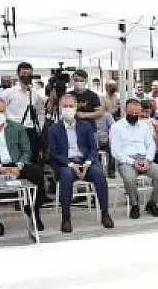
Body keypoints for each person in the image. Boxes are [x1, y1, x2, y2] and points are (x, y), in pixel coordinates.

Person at [0, 97, 48, 232]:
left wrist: (19, 166)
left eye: (1, 111)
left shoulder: (17, 127)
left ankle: (33, 211)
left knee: (36, 172)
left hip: (16, 164)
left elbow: (26, 150)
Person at [48, 94, 114, 232]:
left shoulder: (85, 126)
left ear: (76, 107)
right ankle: (66, 217)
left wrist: (88, 163)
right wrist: (71, 165)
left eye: (70, 106)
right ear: (60, 108)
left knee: (99, 173)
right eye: (65, 106)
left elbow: (93, 149)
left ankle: (105, 213)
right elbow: (54, 154)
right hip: (66, 164)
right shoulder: (54, 129)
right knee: (66, 175)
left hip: (85, 162)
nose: (68, 109)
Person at [110, 99, 158, 219]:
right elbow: (115, 151)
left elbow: (151, 145)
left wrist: (148, 159)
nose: (134, 115)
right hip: (126, 161)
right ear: (125, 110)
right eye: (131, 112)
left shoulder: (144, 126)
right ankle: (134, 204)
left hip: (144, 159)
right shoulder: (117, 127)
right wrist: (133, 162)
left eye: (137, 113)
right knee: (129, 178)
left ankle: (152, 203)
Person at [0, 62, 46, 163]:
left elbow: (41, 112)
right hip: (12, 130)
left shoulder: (34, 95)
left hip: (30, 130)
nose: (26, 76)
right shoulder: (8, 93)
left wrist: (39, 127)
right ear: (18, 74)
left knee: (30, 158)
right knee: (13, 157)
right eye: (24, 73)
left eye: (29, 74)